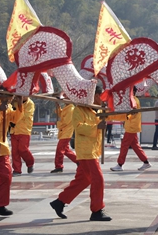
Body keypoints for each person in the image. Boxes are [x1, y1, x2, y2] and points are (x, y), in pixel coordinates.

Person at [49, 86, 112, 221]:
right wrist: (96, 127)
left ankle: (60, 202)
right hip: (86, 150)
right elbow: (78, 126)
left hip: (93, 149)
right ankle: (97, 210)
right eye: (100, 96)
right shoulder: (78, 109)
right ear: (94, 96)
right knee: (98, 179)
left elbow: (115, 115)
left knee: (84, 179)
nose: (102, 100)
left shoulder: (99, 110)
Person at [110, 102, 151, 171]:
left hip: (131, 126)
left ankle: (120, 164)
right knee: (135, 145)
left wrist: (125, 117)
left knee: (124, 145)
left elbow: (132, 113)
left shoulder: (133, 100)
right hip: (132, 126)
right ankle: (145, 162)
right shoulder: (134, 100)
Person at [10, 96, 35, 175]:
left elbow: (24, 115)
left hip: (24, 130)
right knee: (14, 152)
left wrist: (20, 104)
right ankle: (17, 170)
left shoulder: (30, 104)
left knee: (23, 149)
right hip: (14, 130)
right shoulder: (14, 102)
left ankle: (30, 162)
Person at [51, 102, 77, 173]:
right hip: (64, 132)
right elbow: (62, 115)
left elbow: (65, 121)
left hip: (67, 132)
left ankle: (59, 166)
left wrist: (58, 123)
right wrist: (58, 107)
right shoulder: (67, 107)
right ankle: (79, 161)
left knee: (60, 150)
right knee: (65, 150)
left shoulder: (71, 109)